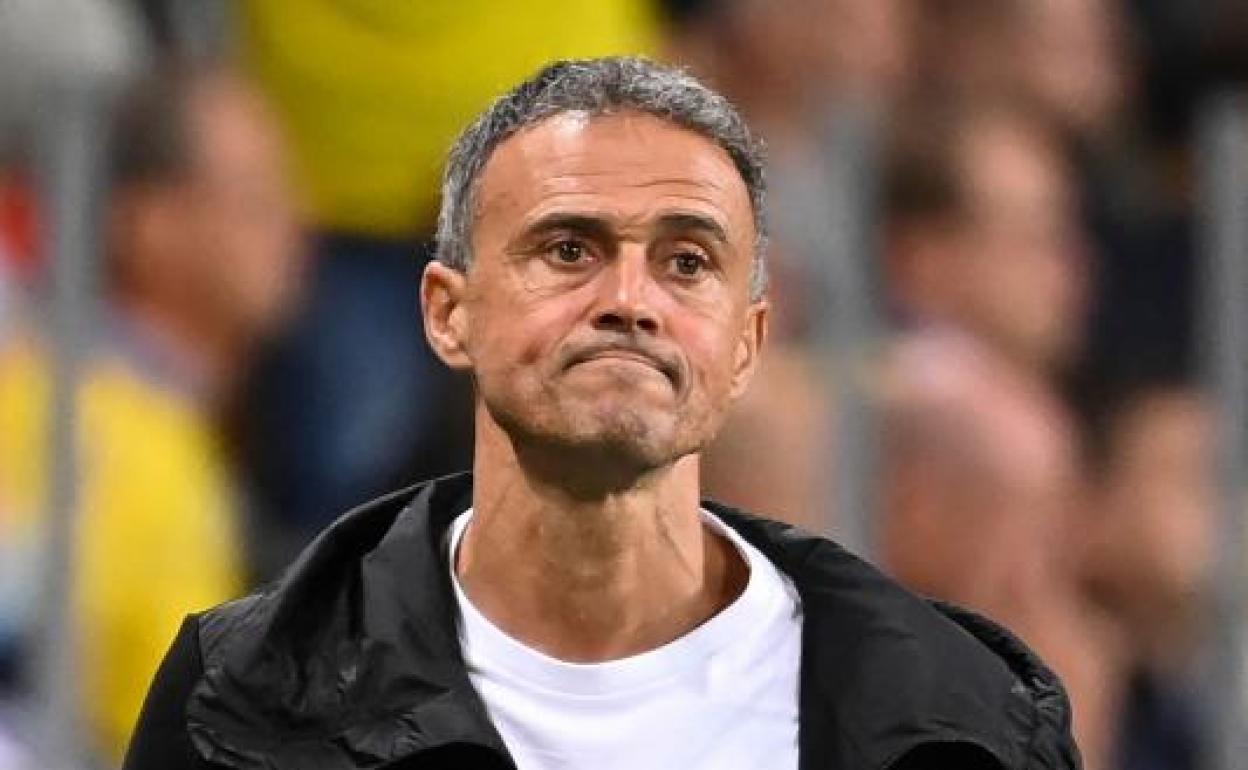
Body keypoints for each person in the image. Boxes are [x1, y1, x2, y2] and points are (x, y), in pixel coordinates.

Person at [125, 57, 1078, 770]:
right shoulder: (245, 695)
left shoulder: (964, 716)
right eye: (569, 250)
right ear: (449, 314)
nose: (629, 300)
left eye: (687, 262)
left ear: (748, 343)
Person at [0, 63, 303, 763]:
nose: (293, 223)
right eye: (253, 198)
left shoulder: (85, 401)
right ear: (147, 224)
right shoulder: (124, 441)